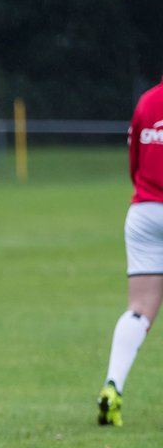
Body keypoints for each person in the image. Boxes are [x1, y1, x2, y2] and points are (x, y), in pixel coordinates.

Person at [98, 77, 163, 426]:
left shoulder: (147, 103)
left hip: (144, 212)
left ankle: (113, 385)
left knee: (139, 309)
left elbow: (133, 164)